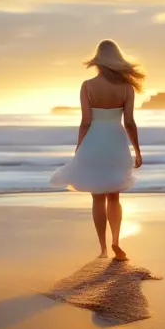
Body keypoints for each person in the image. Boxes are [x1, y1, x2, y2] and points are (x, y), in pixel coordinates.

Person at [50, 39, 144, 261]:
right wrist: (138, 151)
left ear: (98, 60)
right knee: (114, 198)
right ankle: (115, 242)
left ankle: (102, 248)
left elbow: (85, 122)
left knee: (97, 199)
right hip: (116, 143)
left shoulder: (87, 86)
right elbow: (129, 122)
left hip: (94, 142)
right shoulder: (126, 88)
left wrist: (79, 147)